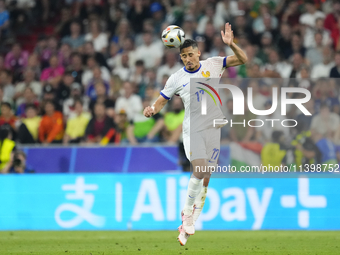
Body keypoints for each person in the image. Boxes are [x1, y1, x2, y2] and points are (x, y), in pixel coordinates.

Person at [143, 23, 247, 245]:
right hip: (193, 130)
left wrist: (231, 44)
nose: (188, 58)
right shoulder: (176, 78)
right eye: (184, 56)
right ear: (180, 58)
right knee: (199, 169)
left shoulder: (214, 64)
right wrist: (152, 109)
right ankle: (187, 213)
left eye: (191, 54)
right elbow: (162, 100)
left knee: (206, 177)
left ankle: (188, 225)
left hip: (214, 128)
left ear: (198, 53)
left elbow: (243, 59)